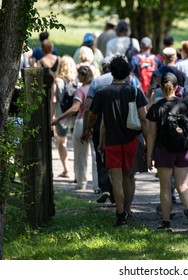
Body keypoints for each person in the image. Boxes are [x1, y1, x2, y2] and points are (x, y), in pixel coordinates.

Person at [82, 55, 148, 227]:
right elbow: (144, 118)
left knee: (116, 180)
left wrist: (88, 130)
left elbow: (92, 115)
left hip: (112, 142)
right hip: (131, 140)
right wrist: (148, 142)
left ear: (111, 72)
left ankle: (120, 215)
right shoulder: (135, 91)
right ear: (127, 72)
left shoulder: (103, 93)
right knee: (129, 177)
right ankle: (127, 209)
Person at [146, 72, 188, 233]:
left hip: (164, 151)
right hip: (184, 149)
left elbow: (151, 134)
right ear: (177, 87)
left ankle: (166, 221)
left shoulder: (156, 107)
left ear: (161, 87)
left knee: (165, 187)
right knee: (183, 186)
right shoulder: (185, 105)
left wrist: (149, 156)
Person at [51, 66, 97, 191]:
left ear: (83, 76)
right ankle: (97, 184)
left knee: (80, 155)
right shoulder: (96, 89)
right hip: (95, 122)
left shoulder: (81, 91)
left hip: (82, 121)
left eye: (79, 75)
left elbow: (75, 108)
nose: (78, 77)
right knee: (94, 155)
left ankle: (81, 182)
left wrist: (58, 119)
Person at [50, 55, 79, 178]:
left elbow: (54, 100)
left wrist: (51, 118)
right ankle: (77, 172)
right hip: (75, 115)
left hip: (60, 116)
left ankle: (66, 169)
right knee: (77, 144)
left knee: (62, 142)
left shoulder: (57, 81)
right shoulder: (78, 81)